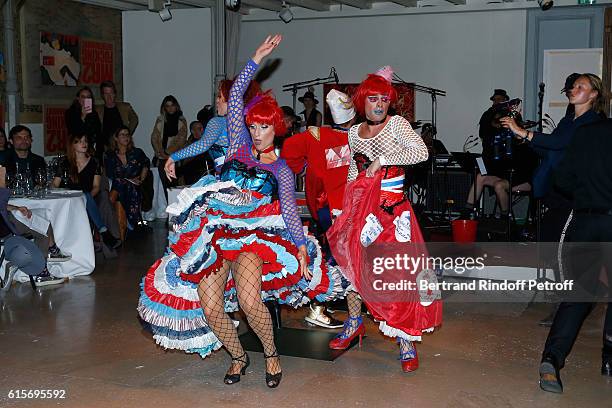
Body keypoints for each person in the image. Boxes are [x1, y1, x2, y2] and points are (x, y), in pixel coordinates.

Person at [138, 35, 344, 388]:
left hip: (254, 237)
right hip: (216, 231)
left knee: (250, 301)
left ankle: (271, 354)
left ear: (275, 128)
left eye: (265, 127)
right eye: (253, 125)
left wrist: (298, 247)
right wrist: (255, 59)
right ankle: (237, 356)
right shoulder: (237, 145)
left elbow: (291, 213)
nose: (258, 132)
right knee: (210, 305)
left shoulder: (280, 168)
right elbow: (234, 98)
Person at [326, 66, 442, 372]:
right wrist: (344, 208)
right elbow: (354, 170)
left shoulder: (397, 125)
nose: (379, 104)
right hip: (363, 213)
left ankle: (405, 339)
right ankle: (354, 324)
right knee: (353, 270)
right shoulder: (353, 132)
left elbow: (420, 153)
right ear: (363, 101)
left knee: (397, 277)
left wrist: (383, 159)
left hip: (393, 215)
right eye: (373, 99)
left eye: (384, 99)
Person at [537, 118, 612, 394]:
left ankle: (552, 359)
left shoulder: (586, 133)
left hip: (585, 220)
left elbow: (563, 178)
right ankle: (609, 358)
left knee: (577, 295)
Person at [281, 89, 356, 328]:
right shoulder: (360, 136)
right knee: (336, 257)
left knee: (334, 253)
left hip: (324, 207)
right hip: (344, 209)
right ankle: (318, 306)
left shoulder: (315, 135)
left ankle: (328, 297)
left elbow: (288, 150)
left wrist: (305, 169)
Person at [164, 77, 260, 176]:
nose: (217, 101)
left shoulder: (218, 122)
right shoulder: (249, 124)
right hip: (248, 179)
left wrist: (173, 157)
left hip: (230, 180)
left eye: (220, 97)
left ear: (231, 101)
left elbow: (203, 144)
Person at [463, 90, 536, 219]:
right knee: (480, 177)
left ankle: (504, 219)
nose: (497, 102)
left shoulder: (521, 141)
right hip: (503, 172)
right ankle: (467, 214)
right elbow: (485, 133)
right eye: (495, 99)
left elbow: (526, 168)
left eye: (500, 99)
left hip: (518, 176)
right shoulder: (490, 119)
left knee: (499, 185)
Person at [0, 168, 71, 287]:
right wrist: (1, 179)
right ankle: (43, 269)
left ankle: (51, 251)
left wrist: (15, 208)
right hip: (3, 225)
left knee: (39, 216)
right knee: (41, 225)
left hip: (5, 217)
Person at [53, 134, 121, 249]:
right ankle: (103, 231)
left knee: (85, 195)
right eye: (79, 141)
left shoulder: (94, 161)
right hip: (69, 197)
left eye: (85, 141)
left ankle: (102, 231)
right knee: (83, 196)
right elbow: (55, 184)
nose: (84, 144)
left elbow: (96, 186)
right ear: (72, 145)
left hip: (89, 196)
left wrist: (83, 198)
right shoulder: (64, 162)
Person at [104, 126, 150, 232]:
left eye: (127, 134)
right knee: (121, 183)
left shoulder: (137, 152)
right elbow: (110, 174)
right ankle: (134, 223)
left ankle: (129, 222)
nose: (126, 137)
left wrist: (141, 179)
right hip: (117, 185)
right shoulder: (110, 154)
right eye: (122, 135)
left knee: (129, 187)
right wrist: (128, 180)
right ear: (116, 138)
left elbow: (146, 164)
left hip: (134, 186)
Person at [151, 95, 188, 198]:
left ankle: (176, 208)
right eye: (167, 106)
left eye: (172, 105)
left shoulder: (181, 120)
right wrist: (160, 151)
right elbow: (155, 137)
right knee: (164, 185)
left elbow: (181, 139)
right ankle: (167, 207)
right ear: (164, 108)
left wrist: (168, 152)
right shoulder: (160, 120)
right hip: (161, 157)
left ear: (176, 106)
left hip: (175, 157)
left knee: (175, 184)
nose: (170, 108)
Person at [96, 80, 139, 154]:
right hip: (105, 148)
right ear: (102, 95)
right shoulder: (97, 110)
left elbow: (134, 119)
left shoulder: (125, 107)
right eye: (106, 94)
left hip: (122, 147)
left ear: (115, 94)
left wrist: (127, 134)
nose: (109, 97)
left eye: (111, 93)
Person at [64, 86, 103, 159]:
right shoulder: (70, 113)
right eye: (83, 97)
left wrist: (98, 153)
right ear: (78, 99)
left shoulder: (94, 114)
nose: (85, 99)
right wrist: (83, 116)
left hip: (91, 150)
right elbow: (75, 132)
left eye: (88, 97)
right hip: (76, 150)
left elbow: (98, 133)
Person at [181, 121, 214, 185]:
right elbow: (185, 163)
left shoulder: (209, 142)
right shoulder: (188, 146)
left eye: (202, 128)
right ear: (193, 131)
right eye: (199, 128)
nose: (202, 130)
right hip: (194, 177)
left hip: (209, 175)